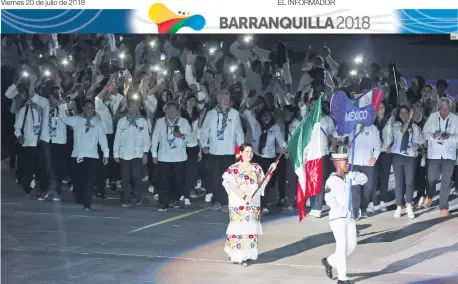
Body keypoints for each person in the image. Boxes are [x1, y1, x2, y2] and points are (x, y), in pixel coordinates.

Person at [222, 143, 277, 267]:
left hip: (253, 203)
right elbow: (231, 185)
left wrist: (270, 171)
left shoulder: (257, 168)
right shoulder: (234, 168)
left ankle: (247, 256)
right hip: (238, 203)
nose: (249, 154)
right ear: (241, 153)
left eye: (251, 151)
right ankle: (237, 255)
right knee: (239, 229)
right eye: (246, 151)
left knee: (250, 229)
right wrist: (243, 196)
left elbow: (262, 183)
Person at [321, 152, 368, 284]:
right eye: (345, 162)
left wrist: (355, 175)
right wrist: (341, 210)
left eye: (347, 161)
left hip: (349, 217)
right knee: (341, 247)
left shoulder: (348, 177)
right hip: (338, 218)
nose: (348, 164)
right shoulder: (332, 180)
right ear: (337, 164)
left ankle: (329, 262)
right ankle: (342, 278)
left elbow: (365, 179)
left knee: (352, 245)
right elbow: (328, 199)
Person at [60, 99, 109, 210]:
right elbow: (63, 118)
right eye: (87, 107)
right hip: (78, 155)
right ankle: (81, 197)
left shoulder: (98, 122)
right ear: (83, 108)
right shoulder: (77, 119)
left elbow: (103, 139)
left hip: (93, 157)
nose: (89, 109)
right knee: (78, 180)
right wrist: (62, 106)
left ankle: (87, 204)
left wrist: (106, 154)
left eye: (91, 107)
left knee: (90, 181)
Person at [113, 92, 151, 207]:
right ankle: (126, 198)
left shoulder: (143, 121)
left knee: (136, 176)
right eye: (131, 106)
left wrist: (145, 153)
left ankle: (137, 194)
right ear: (128, 107)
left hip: (137, 153)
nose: (133, 108)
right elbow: (117, 138)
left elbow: (146, 139)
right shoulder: (122, 121)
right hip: (124, 153)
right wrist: (115, 153)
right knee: (125, 178)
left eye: (136, 106)